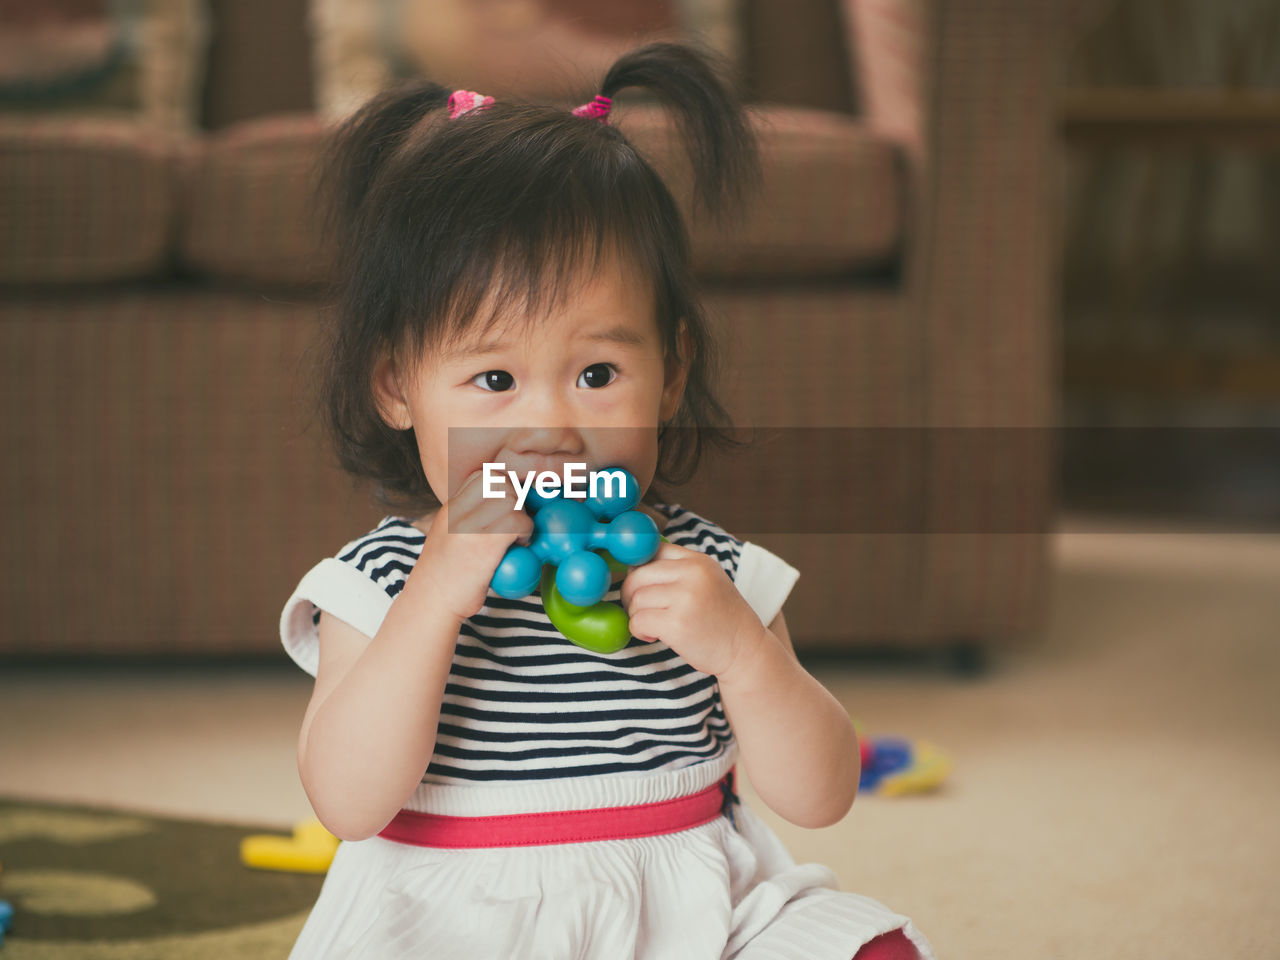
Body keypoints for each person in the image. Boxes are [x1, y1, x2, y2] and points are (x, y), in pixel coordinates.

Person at [279, 41, 936, 960]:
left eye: (597, 372)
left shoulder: (707, 571)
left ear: (670, 377)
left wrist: (745, 656)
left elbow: (821, 797)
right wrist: (432, 604)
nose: (549, 425)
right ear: (396, 388)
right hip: (459, 923)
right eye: (493, 377)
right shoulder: (379, 582)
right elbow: (348, 802)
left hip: (693, 911)